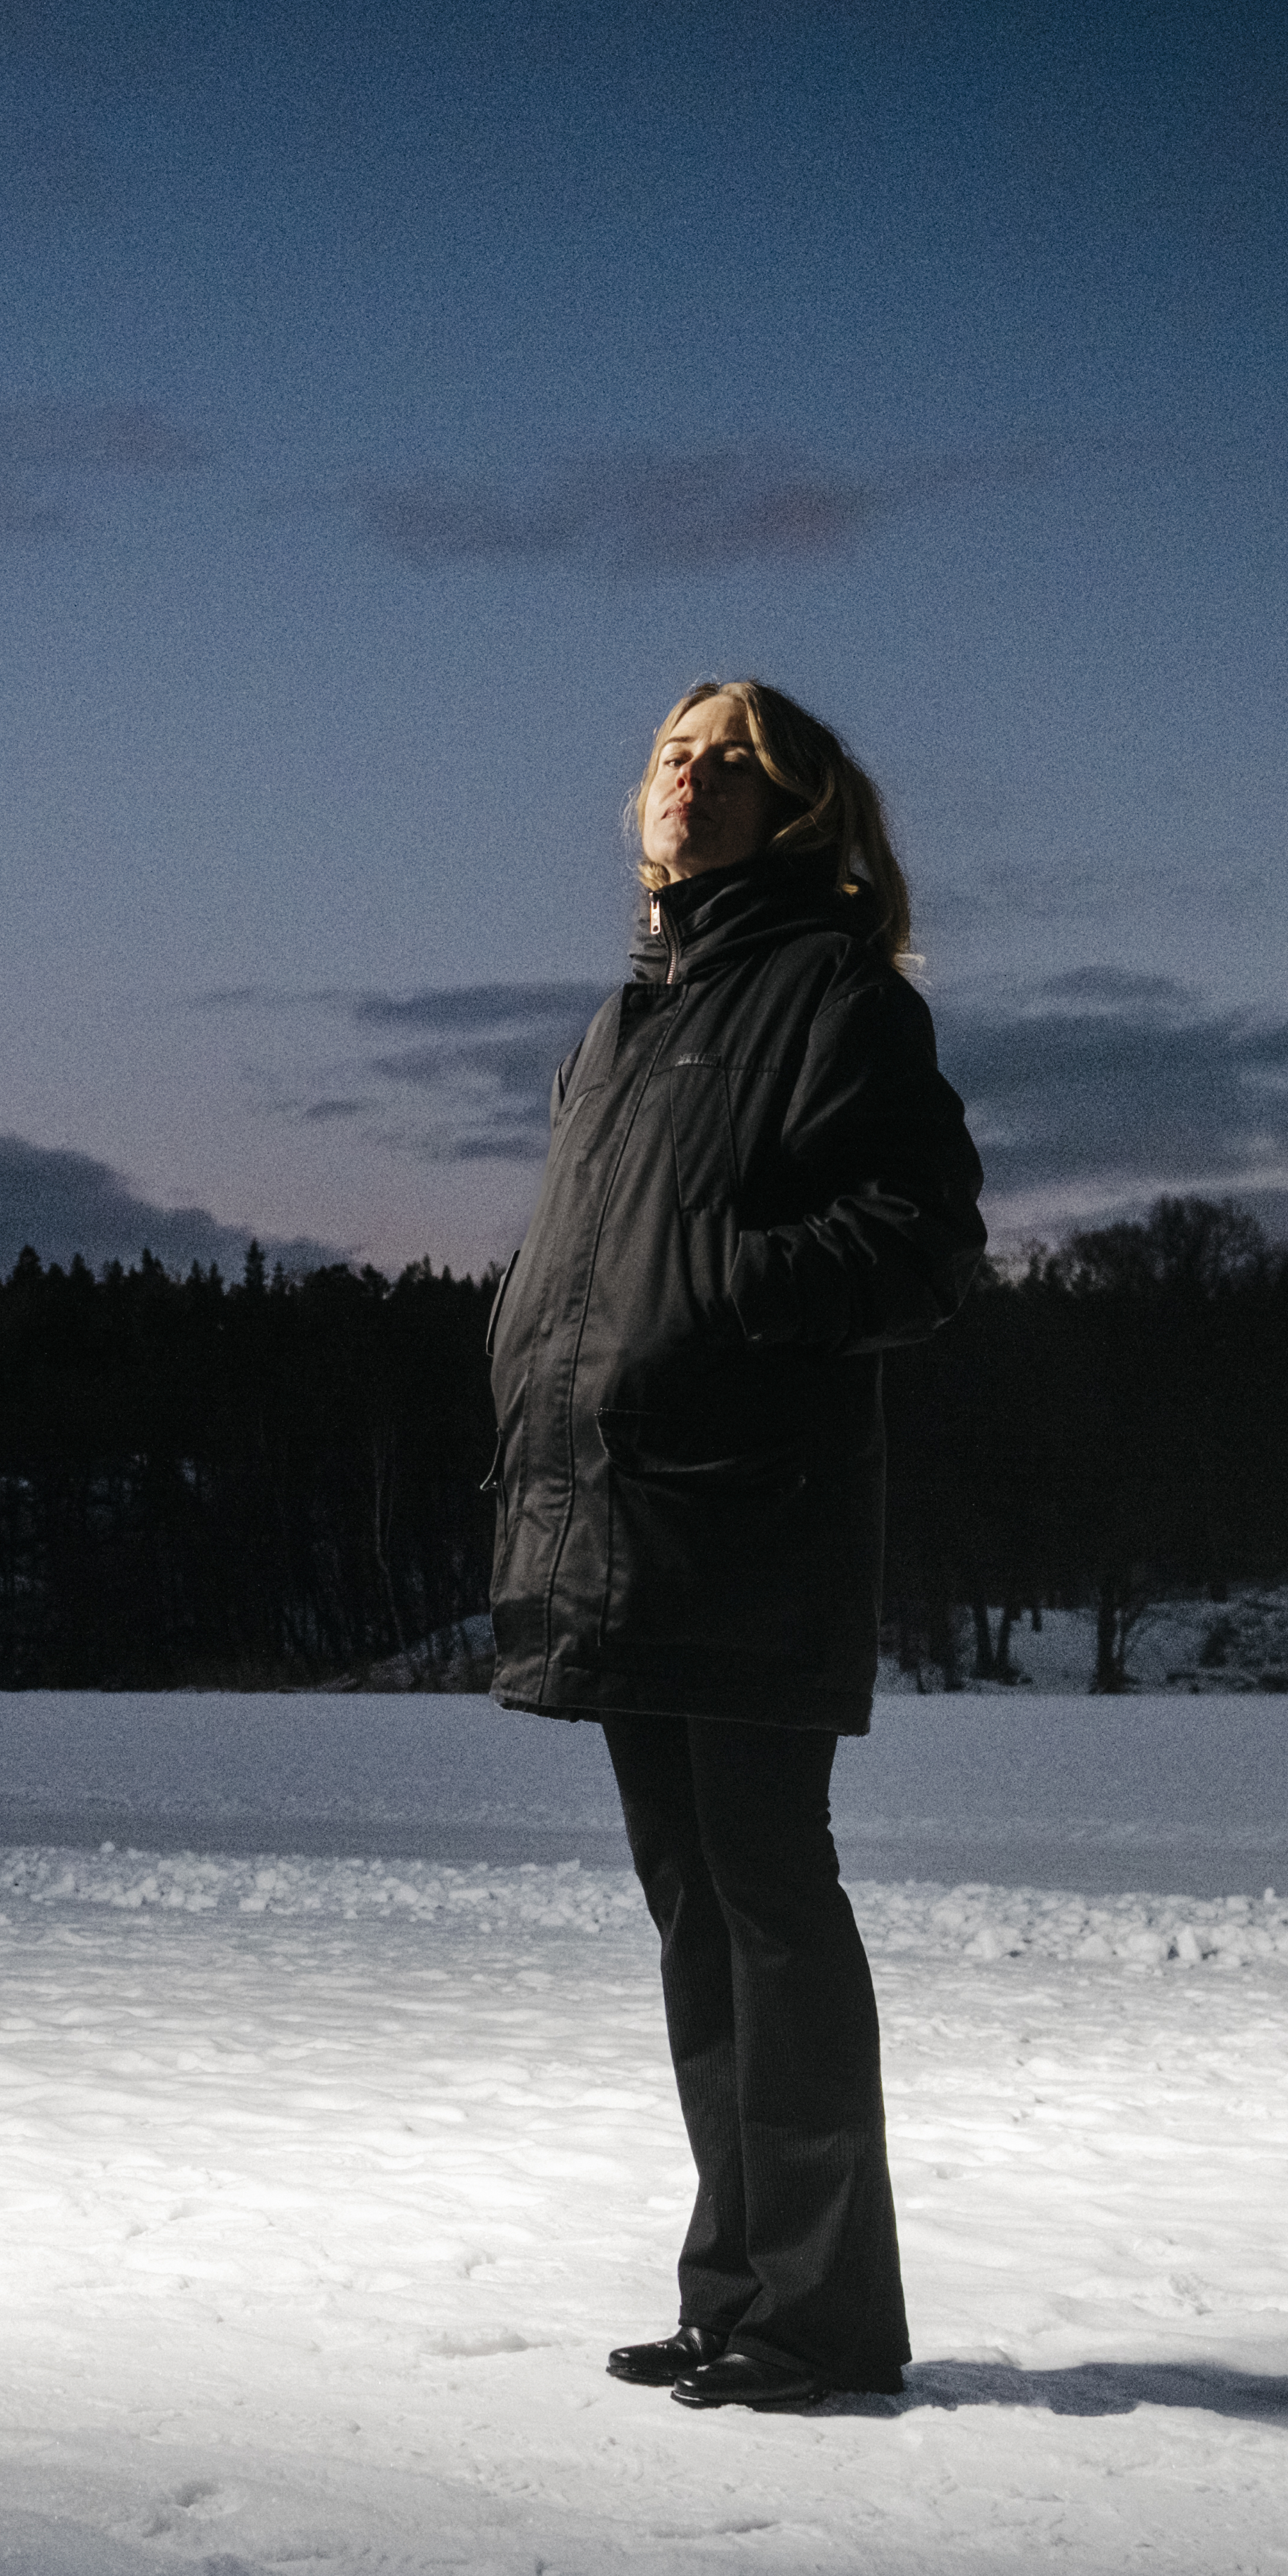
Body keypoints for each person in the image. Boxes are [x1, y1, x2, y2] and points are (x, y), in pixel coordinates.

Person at [487, 679, 985, 2412]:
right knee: (695, 1906)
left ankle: (824, 2317)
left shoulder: (837, 993)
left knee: (769, 1895)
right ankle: (739, 2292)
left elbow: (922, 1241)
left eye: (728, 761)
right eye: (672, 755)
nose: (687, 778)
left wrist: (718, 1298)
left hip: (753, 1516)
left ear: (797, 809)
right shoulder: (625, 1026)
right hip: (624, 1510)